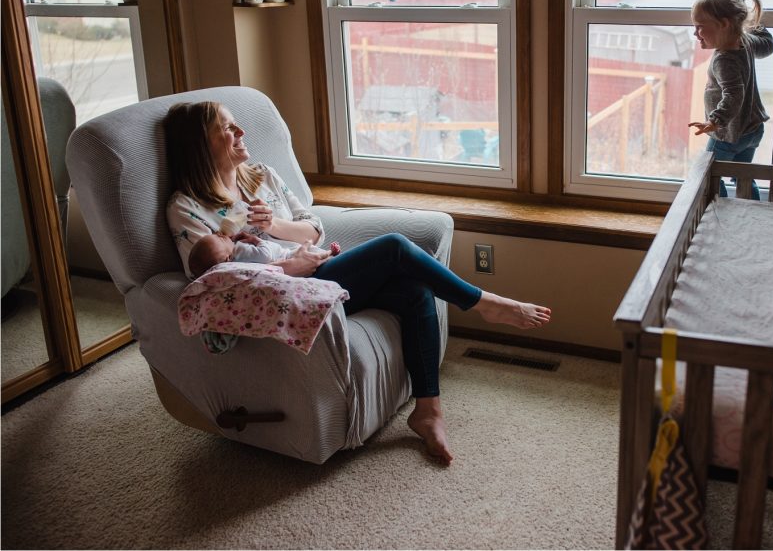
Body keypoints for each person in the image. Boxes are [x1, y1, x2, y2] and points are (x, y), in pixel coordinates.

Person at [164, 101, 552, 466]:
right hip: (286, 296)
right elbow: (210, 280)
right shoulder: (186, 207)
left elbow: (313, 226)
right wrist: (288, 268)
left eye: (236, 123)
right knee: (395, 248)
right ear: (200, 144)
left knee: (414, 291)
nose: (240, 130)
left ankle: (428, 411)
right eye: (226, 128)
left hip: (321, 274)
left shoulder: (262, 176)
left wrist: (274, 226)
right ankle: (483, 302)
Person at [688, 0, 773, 199]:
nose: (695, 33)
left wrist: (716, 120)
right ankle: (752, 210)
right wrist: (749, 21)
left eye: (700, 27)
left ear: (725, 24)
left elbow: (734, 94)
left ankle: (721, 212)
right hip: (753, 130)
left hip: (729, 133)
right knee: (742, 176)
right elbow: (768, 44)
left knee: (708, 176)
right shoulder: (745, 41)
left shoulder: (724, 59)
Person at [187, 230, 340, 278]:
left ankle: (330, 255)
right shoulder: (239, 252)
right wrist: (257, 240)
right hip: (287, 257)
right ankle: (330, 253)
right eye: (220, 238)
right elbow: (266, 255)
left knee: (314, 253)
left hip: (289, 256)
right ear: (227, 259)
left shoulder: (235, 255)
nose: (221, 233)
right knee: (314, 253)